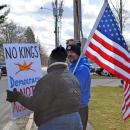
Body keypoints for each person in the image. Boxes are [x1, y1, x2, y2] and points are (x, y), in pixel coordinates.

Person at [6, 46, 83, 130]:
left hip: (55, 124)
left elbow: (34, 104)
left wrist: (18, 96)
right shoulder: (73, 78)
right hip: (76, 121)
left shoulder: (46, 80)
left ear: (50, 60)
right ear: (64, 60)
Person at [66, 42, 91, 130]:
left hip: (79, 108)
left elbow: (76, 89)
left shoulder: (82, 68)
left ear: (78, 53)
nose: (69, 54)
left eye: (72, 52)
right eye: (68, 52)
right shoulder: (73, 67)